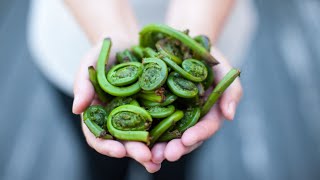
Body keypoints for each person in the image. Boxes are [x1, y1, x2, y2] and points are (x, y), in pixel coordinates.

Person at [29, 0, 243, 176]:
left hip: (211, 14)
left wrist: (195, 29)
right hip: (79, 29)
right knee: (103, 167)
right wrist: (111, 33)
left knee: (175, 167)